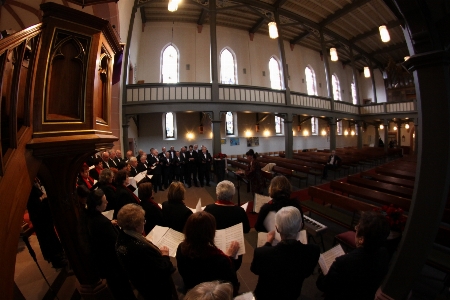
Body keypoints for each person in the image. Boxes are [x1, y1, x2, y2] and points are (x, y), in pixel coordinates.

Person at [316, 211, 390, 300]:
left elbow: (322, 285)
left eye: (357, 228)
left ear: (361, 240)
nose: (355, 229)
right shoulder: (384, 254)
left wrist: (323, 272)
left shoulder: (343, 262)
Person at [251, 206, 320, 300]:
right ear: (301, 225)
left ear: (277, 229)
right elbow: (307, 273)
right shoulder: (313, 251)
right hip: (292, 294)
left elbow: (255, 270)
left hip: (265, 295)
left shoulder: (261, 252)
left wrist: (268, 243)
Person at [116, 204, 178, 300]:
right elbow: (163, 270)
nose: (144, 223)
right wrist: (165, 256)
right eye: (143, 221)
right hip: (156, 289)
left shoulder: (121, 237)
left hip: (140, 284)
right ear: (136, 227)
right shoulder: (142, 248)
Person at [86, 190, 136, 300]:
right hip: (112, 263)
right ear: (97, 206)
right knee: (123, 288)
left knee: (117, 287)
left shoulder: (91, 216)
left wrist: (110, 223)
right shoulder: (101, 223)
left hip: (105, 262)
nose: (107, 202)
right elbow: (116, 241)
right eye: (104, 201)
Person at [176, 212, 240, 295]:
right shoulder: (220, 260)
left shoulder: (181, 248)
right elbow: (231, 285)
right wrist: (229, 257)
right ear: (211, 232)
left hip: (191, 289)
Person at [204, 180, 250, 270]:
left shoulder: (208, 209)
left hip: (213, 250)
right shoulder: (239, 211)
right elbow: (247, 229)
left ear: (217, 195)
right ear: (232, 196)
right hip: (234, 250)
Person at [27, 177, 67, 269]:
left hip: (44, 214)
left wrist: (43, 197)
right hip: (39, 216)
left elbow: (42, 196)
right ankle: (56, 259)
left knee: (52, 236)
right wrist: (43, 197)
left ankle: (59, 254)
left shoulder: (35, 183)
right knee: (47, 239)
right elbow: (37, 199)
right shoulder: (30, 188)